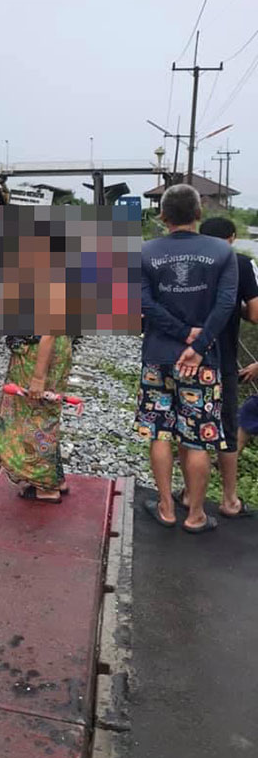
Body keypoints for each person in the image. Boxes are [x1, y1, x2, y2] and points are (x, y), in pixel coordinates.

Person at [135, 185, 237, 533]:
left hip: (158, 357)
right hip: (203, 362)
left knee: (160, 432)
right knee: (198, 438)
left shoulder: (144, 252)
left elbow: (144, 304)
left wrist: (179, 334)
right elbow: (226, 305)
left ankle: (165, 507)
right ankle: (195, 515)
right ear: (199, 214)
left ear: (163, 217)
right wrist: (199, 341)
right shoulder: (223, 253)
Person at [178, 217, 258, 518]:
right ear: (233, 237)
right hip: (223, 359)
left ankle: (188, 494)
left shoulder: (189, 261)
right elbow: (255, 314)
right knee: (226, 428)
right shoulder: (240, 263)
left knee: (188, 428)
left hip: (186, 356)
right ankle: (229, 499)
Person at [0, 334, 72, 502]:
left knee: (35, 417)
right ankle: (55, 480)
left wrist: (38, 377)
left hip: (39, 351)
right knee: (43, 413)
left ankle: (44, 486)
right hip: (46, 348)